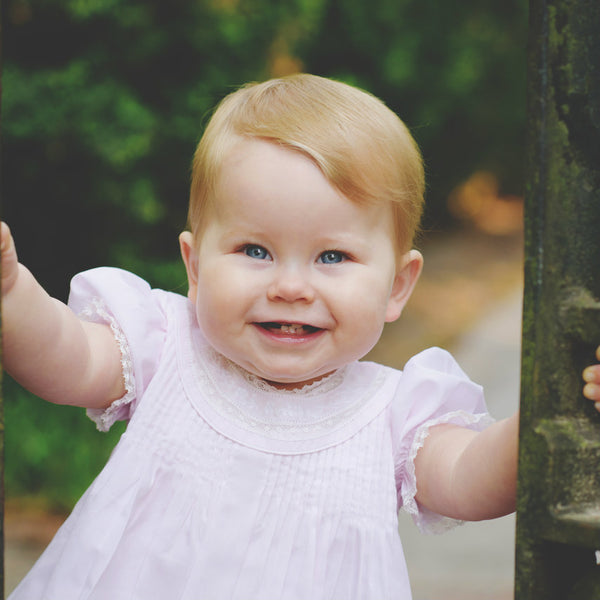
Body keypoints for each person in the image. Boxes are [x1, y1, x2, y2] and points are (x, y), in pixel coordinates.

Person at [3, 73, 599, 600]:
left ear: (398, 285)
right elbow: (67, 358)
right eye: (254, 250)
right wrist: (11, 295)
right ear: (195, 265)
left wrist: (551, 414)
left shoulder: (392, 415)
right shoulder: (166, 349)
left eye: (332, 256)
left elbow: (471, 479)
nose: (290, 286)